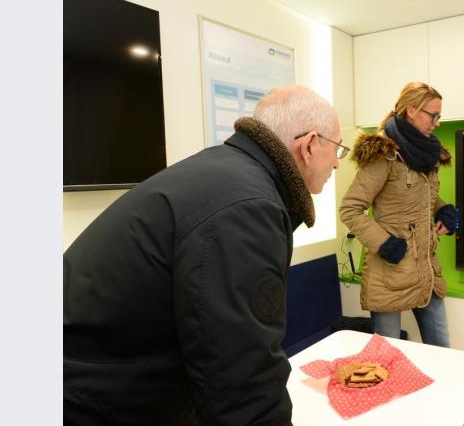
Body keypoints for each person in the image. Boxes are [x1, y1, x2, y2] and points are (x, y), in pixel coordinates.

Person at [63, 85, 345, 425]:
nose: (338, 164)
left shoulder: (227, 175)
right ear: (310, 145)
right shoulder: (247, 206)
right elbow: (240, 375)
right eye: (337, 148)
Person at [339, 81, 458, 347]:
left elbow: (421, 194)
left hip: (426, 273)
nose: (437, 122)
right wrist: (385, 243)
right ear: (412, 110)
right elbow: (350, 208)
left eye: (440, 115)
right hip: (390, 273)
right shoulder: (385, 154)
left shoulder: (429, 153)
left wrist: (443, 209)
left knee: (444, 353)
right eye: (433, 115)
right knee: (387, 360)